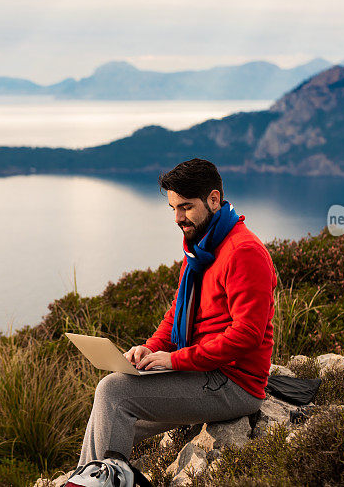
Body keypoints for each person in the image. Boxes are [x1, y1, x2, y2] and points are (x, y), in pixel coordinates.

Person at [73, 158, 277, 478]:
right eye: (173, 209)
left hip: (234, 384)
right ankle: (88, 480)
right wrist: (150, 348)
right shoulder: (201, 249)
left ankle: (92, 482)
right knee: (109, 416)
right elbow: (177, 312)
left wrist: (175, 360)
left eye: (185, 207)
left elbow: (247, 334)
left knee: (114, 393)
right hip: (203, 373)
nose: (178, 218)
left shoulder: (243, 252)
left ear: (213, 199)